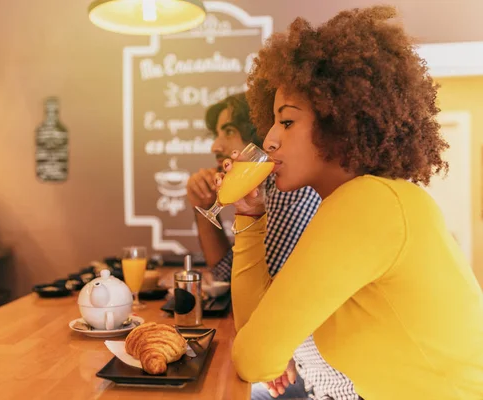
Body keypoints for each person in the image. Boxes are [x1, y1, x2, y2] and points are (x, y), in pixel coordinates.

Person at [219, 6, 483, 400]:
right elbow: (254, 335)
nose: (270, 139)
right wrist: (250, 213)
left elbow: (255, 360)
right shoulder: (359, 200)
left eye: (287, 122)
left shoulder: (369, 202)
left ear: (339, 122)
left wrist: (262, 353)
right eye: (272, 121)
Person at [187, 93, 360, 399]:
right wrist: (233, 210)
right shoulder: (275, 190)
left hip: (332, 384)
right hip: (313, 377)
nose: (215, 146)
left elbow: (257, 331)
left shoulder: (293, 189)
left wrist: (272, 352)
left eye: (287, 122)